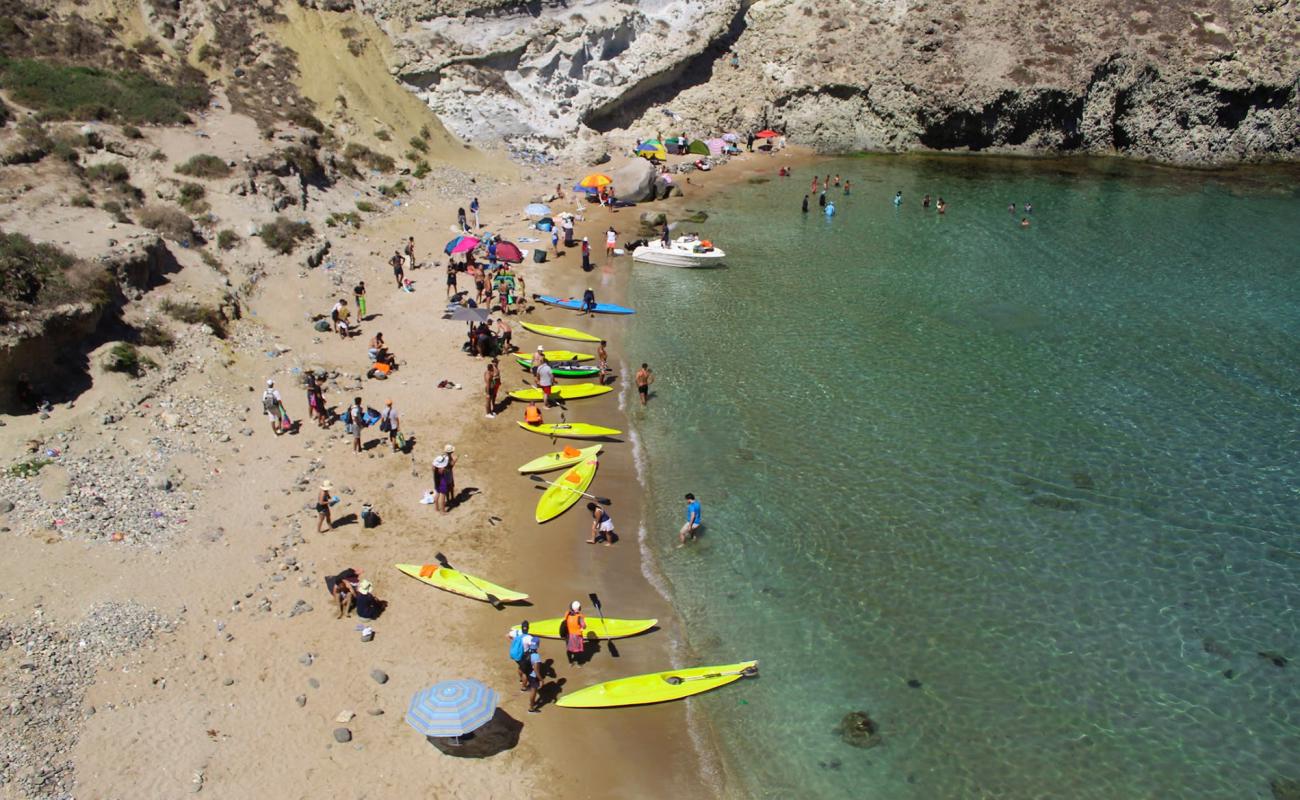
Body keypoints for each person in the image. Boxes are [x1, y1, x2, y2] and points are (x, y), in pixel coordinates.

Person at [563, 601, 587, 667]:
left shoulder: (567, 614)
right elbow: (584, 626)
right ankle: (579, 664)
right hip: (576, 637)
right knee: (578, 651)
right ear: (578, 608)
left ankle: (570, 663)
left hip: (568, 636)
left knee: (569, 650)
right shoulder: (580, 617)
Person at [524, 634, 543, 713]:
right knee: (533, 691)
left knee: (532, 689)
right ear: (538, 645)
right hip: (533, 676)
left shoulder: (527, 651)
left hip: (527, 673)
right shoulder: (536, 656)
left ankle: (531, 702)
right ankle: (531, 708)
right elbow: (536, 670)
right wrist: (541, 679)